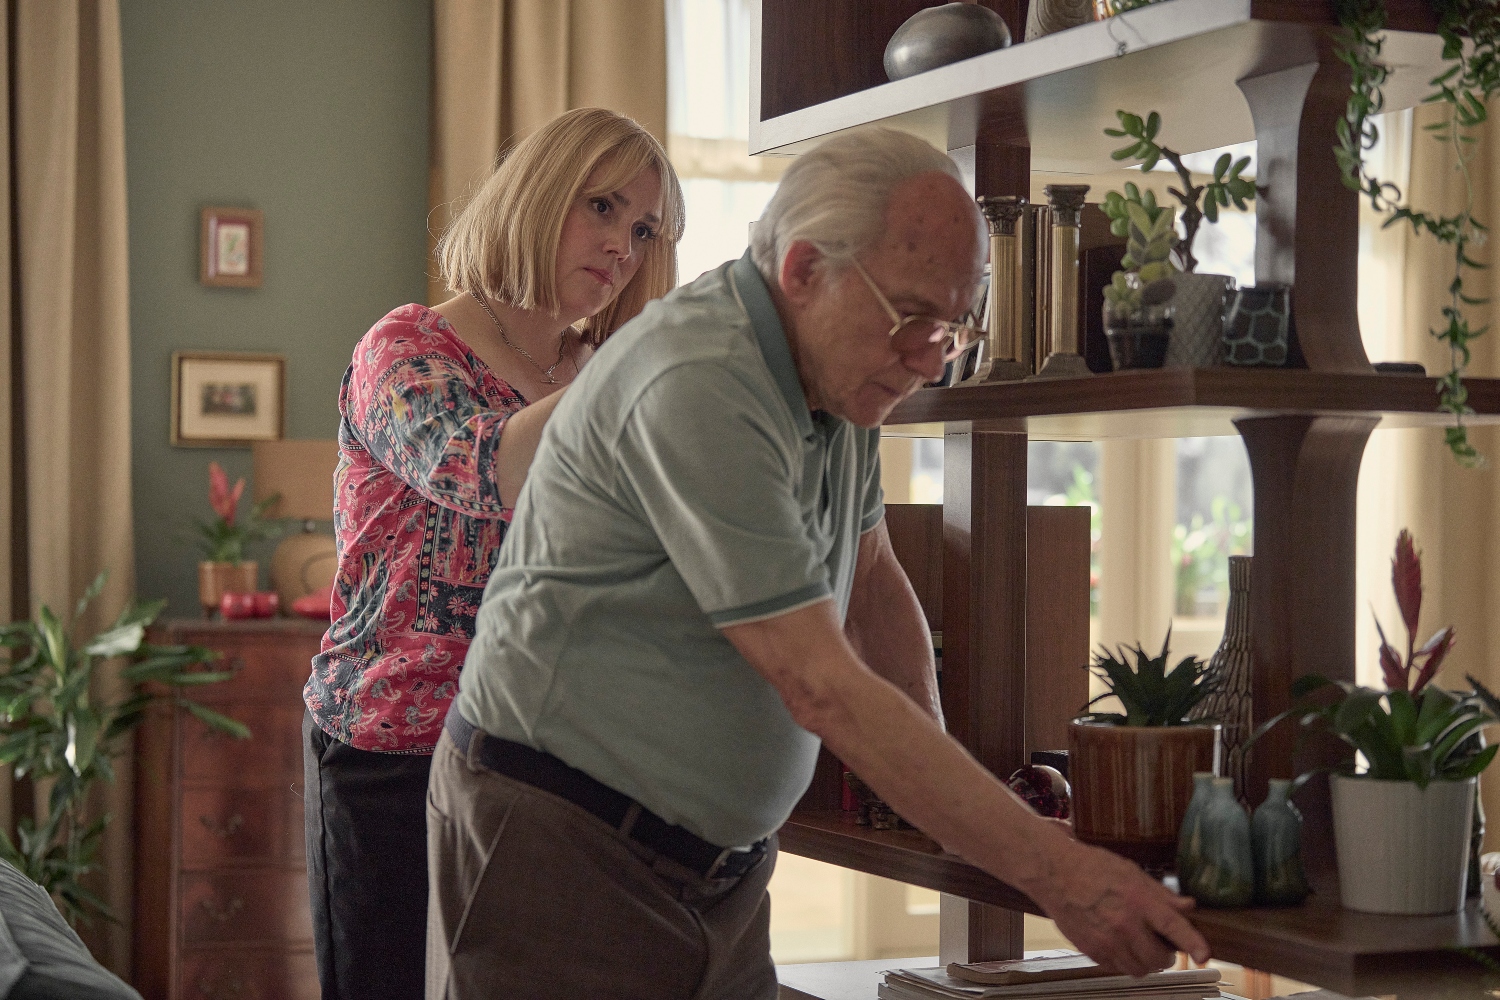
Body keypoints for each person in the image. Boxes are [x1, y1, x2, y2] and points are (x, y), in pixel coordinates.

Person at [427, 128, 1211, 999]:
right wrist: (1055, 874)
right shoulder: (700, 377)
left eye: (951, 329)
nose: (926, 361)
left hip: (713, 871)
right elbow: (818, 681)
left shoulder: (839, 377)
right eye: (912, 317)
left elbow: (871, 583)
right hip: (565, 843)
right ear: (803, 271)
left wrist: (947, 798)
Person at [301, 107, 683, 1000]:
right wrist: (625, 377)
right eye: (601, 206)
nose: (622, 247)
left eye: (643, 229)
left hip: (551, 770)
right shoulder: (404, 348)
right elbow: (479, 467)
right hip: (391, 757)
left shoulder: (604, 370)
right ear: (538, 193)